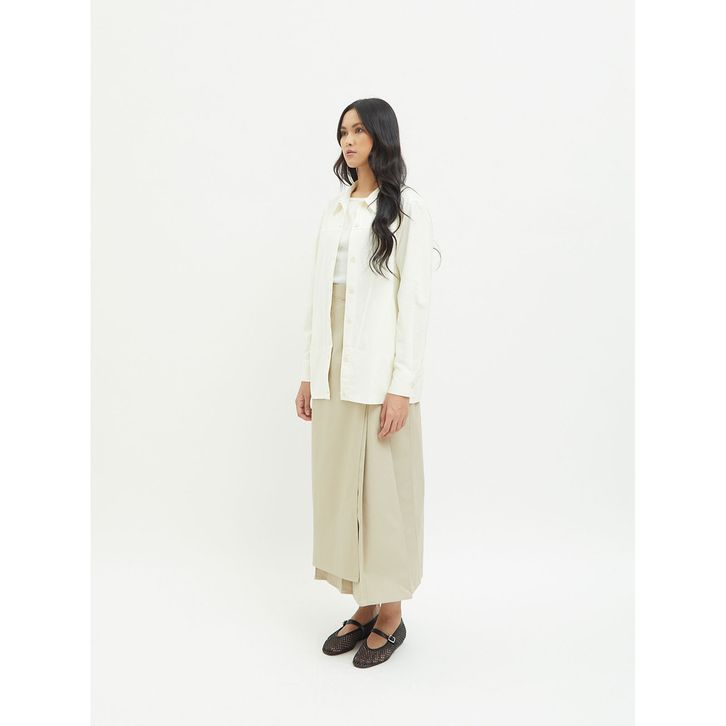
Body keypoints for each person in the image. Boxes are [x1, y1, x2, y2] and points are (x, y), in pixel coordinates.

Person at [295, 98, 439, 668]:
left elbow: (415, 302)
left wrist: (402, 385)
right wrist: (310, 372)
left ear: (380, 136)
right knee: (341, 491)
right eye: (342, 132)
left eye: (358, 130)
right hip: (333, 370)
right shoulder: (334, 211)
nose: (348, 141)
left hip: (380, 373)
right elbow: (318, 299)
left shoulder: (406, 210)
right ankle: (363, 603)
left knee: (385, 494)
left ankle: (391, 612)